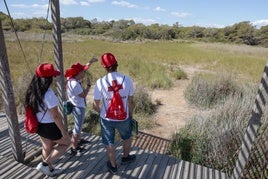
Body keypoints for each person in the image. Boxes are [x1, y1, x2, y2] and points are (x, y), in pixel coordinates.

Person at [24, 63, 71, 177]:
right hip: (50, 126)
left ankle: (50, 169)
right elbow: (55, 116)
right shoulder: (49, 94)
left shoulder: (32, 91)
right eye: (53, 76)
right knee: (66, 143)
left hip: (39, 125)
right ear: (48, 79)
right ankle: (45, 164)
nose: (54, 79)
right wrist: (64, 132)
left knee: (47, 147)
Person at [93, 52, 136, 174]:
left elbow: (95, 104)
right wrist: (130, 114)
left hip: (107, 119)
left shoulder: (100, 82)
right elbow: (131, 101)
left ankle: (113, 165)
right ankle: (126, 157)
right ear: (116, 64)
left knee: (109, 141)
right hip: (124, 117)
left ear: (104, 67)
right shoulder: (127, 80)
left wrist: (102, 112)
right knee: (126, 137)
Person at [64, 60, 95, 156]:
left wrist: (90, 62)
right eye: (83, 71)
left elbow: (84, 68)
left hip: (75, 105)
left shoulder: (71, 79)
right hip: (78, 107)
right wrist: (89, 86)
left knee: (79, 126)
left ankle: (79, 141)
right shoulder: (75, 84)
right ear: (78, 73)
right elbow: (84, 95)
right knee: (77, 129)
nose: (84, 72)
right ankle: (74, 148)